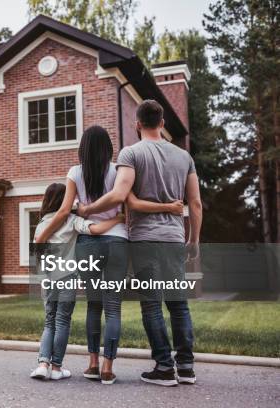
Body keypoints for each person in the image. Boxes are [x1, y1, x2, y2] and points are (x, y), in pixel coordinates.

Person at [35, 125, 183, 385]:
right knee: (113, 307)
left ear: (82, 148)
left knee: (94, 304)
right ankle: (107, 368)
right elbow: (131, 204)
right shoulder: (118, 170)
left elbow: (62, 213)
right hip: (118, 241)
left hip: (87, 243)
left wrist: (43, 235)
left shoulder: (75, 172)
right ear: (108, 148)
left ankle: (91, 364)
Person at [77, 100, 203, 386]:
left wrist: (87, 209)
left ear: (137, 124)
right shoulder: (184, 157)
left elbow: (120, 194)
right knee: (179, 304)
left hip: (144, 239)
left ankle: (163, 367)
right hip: (173, 239)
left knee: (151, 305)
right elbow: (195, 203)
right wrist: (194, 239)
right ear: (162, 123)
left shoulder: (131, 153)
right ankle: (186, 366)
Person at [30, 182, 124, 381]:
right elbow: (96, 229)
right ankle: (56, 368)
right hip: (67, 279)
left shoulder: (41, 224)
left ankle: (42, 364)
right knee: (62, 321)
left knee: (49, 322)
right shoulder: (72, 220)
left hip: (47, 280)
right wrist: (118, 219)